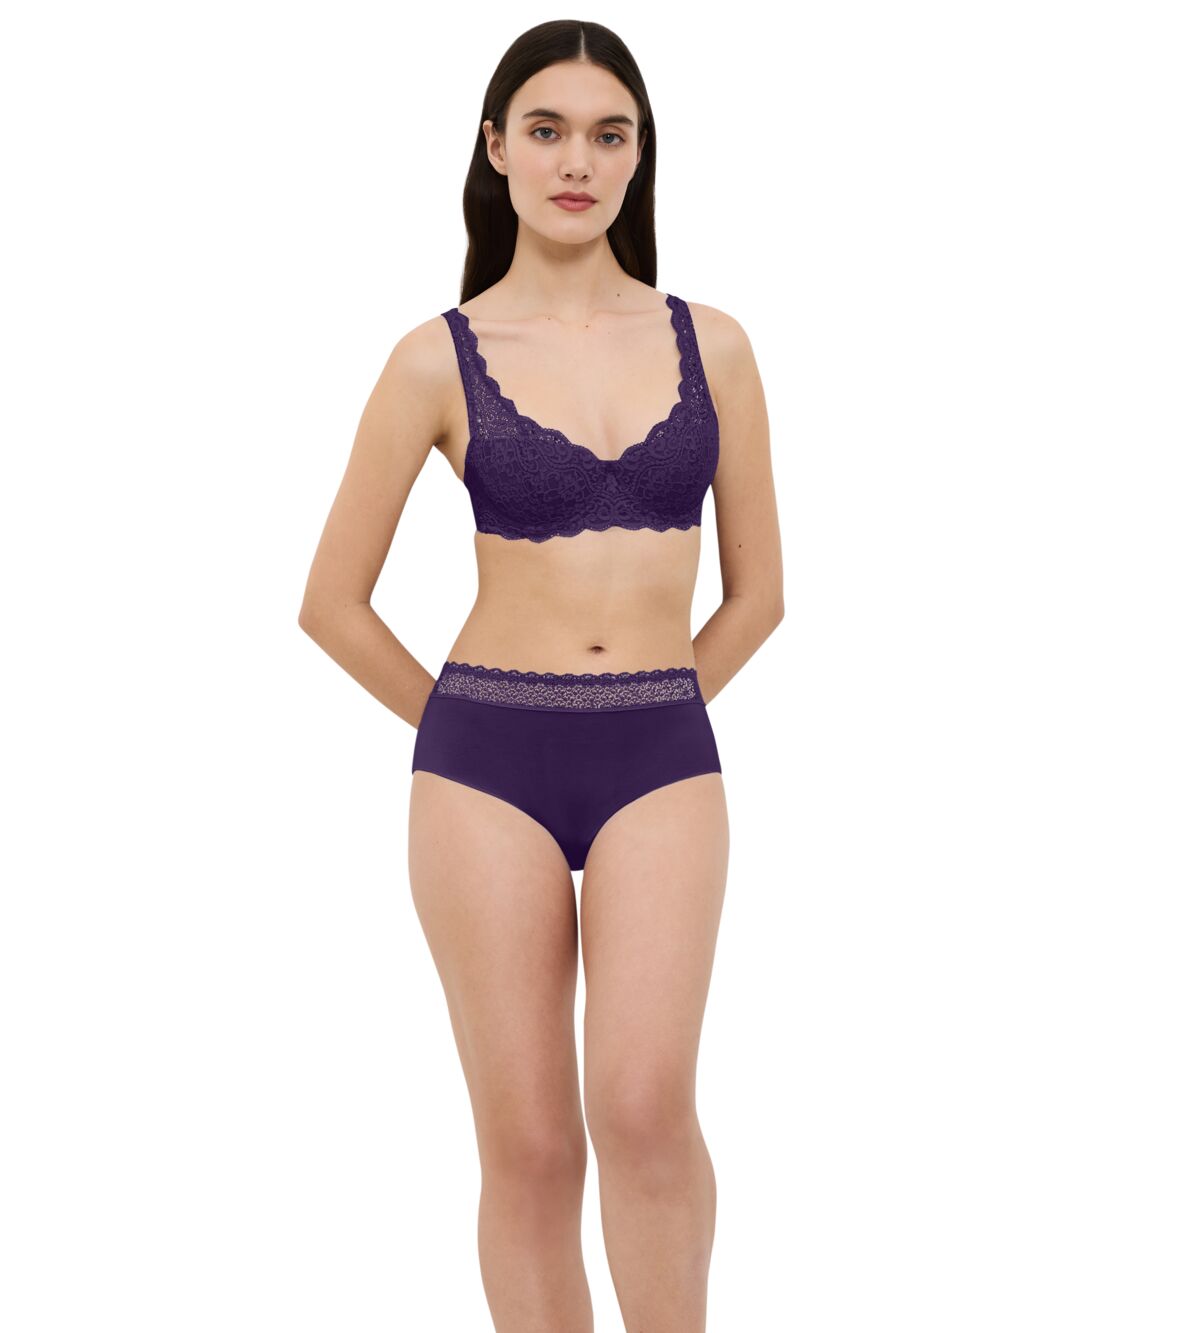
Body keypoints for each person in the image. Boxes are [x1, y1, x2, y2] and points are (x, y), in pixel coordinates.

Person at [299, 20, 784, 1332]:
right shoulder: (434, 356)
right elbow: (330, 603)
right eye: (549, 130)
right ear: (497, 148)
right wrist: (472, 729)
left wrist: (652, 716)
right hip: (485, 771)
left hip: (659, 756)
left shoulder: (716, 345)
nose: (579, 161)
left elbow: (760, 597)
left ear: (640, 156)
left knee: (644, 1105)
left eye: (609, 134)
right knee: (527, 1145)